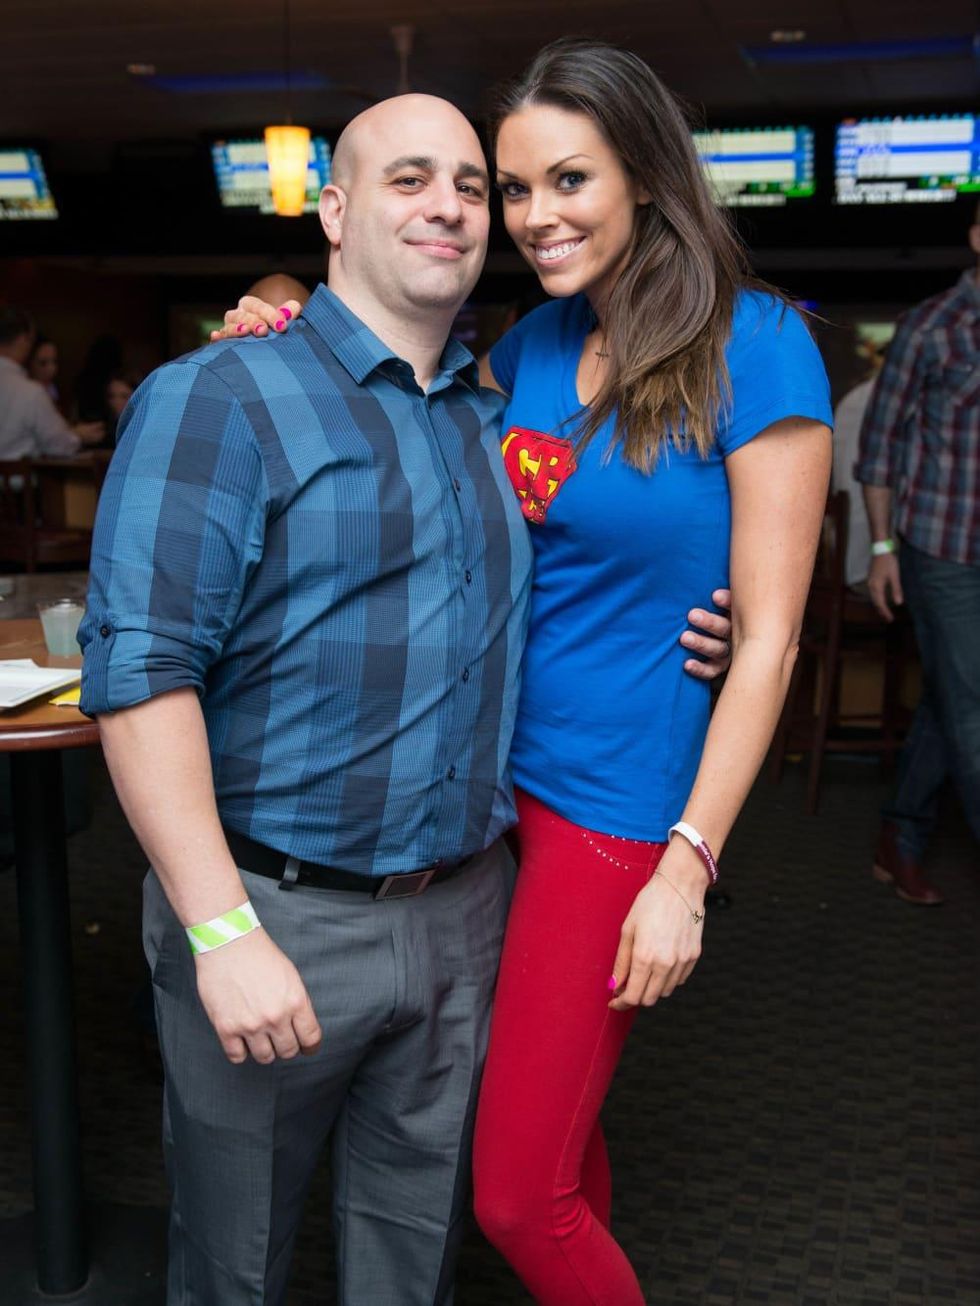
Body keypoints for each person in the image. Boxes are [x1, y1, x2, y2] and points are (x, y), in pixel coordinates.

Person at [80, 91, 731, 1306]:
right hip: (276, 913)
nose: (447, 206)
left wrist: (713, 620)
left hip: (463, 914)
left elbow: (599, 569)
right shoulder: (220, 394)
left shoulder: (494, 415)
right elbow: (141, 675)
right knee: (236, 1265)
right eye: (408, 179)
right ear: (333, 212)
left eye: (472, 188)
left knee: (410, 1257)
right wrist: (220, 930)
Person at [226, 39, 831, 1305]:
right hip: (491, 806)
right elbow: (410, 412)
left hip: (615, 814)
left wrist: (689, 864)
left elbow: (767, 636)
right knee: (557, 1136)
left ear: (647, 180)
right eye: (513, 189)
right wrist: (285, 315)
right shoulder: (532, 347)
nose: (532, 216)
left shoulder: (756, 343)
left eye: (568, 181)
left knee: (511, 1194)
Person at [855, 201, 980, 906]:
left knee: (951, 698)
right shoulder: (933, 326)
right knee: (973, 713)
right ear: (976, 237)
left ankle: (898, 835)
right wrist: (881, 548)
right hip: (944, 549)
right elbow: (877, 451)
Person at [0, 307, 104, 457]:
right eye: (43, 363)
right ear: (23, 339)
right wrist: (77, 435)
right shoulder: (30, 393)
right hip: (21, 479)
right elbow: (59, 445)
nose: (51, 369)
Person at [27, 333, 61, 404]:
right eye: (43, 363)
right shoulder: (21, 390)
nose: (51, 368)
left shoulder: (52, 389)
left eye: (55, 361)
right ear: (29, 363)